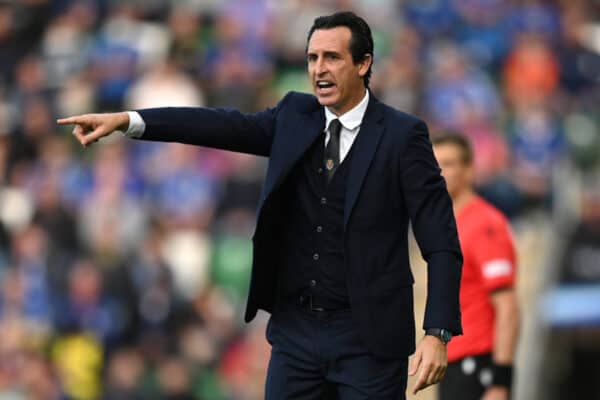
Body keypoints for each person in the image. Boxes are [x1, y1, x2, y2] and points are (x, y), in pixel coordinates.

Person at [58, 11, 462, 399]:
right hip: (296, 334)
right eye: (312, 58)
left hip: (369, 339)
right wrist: (130, 120)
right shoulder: (294, 115)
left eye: (332, 57)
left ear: (363, 63)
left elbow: (440, 238)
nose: (319, 69)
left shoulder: (403, 135)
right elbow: (219, 125)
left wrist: (437, 332)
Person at [432, 133, 520, 400]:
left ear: (469, 170)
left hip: (477, 365)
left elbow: (507, 306)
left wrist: (500, 381)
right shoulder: (448, 226)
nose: (438, 173)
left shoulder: (484, 224)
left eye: (448, 164)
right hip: (453, 361)